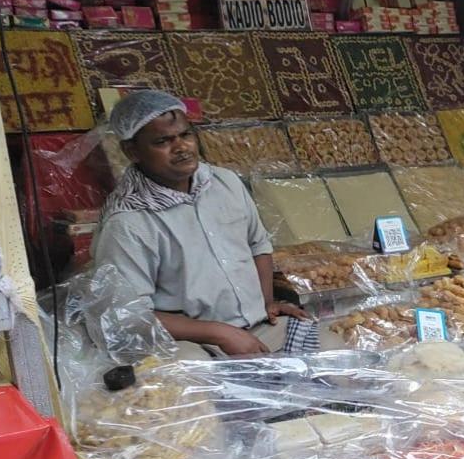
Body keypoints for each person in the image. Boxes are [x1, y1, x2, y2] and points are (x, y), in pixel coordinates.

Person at [93, 90, 325, 358]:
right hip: (192, 342)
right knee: (200, 390)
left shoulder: (224, 182)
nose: (181, 147)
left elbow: (257, 245)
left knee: (335, 355)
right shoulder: (128, 222)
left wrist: (266, 301)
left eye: (185, 135)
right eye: (163, 141)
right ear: (132, 151)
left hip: (257, 327)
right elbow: (128, 314)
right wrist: (218, 332)